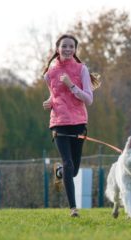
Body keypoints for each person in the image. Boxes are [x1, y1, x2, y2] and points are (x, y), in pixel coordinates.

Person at [42, 34, 100, 217]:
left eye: (71, 47)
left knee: (72, 170)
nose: (68, 49)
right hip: (59, 123)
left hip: (78, 123)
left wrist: (71, 85)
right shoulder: (49, 73)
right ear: (57, 48)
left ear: (75, 50)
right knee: (68, 163)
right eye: (64, 46)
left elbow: (89, 99)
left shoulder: (81, 69)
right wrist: (49, 102)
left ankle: (59, 171)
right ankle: (73, 209)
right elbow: (55, 95)